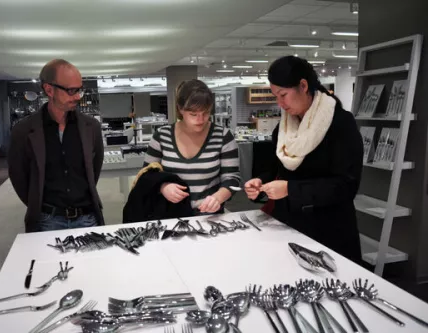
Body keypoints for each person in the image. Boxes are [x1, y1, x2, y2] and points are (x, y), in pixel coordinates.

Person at [244, 56, 363, 263]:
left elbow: (346, 186)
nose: (280, 103)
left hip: (328, 232)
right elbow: (275, 171)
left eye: (283, 95)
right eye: (276, 96)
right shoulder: (283, 128)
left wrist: (290, 189)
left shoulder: (340, 124)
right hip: (287, 227)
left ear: (303, 85)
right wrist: (259, 183)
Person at [8, 59, 105, 232]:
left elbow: (94, 170)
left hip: (88, 217)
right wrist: (36, 203)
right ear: (49, 89)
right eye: (71, 90)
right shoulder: (23, 130)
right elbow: (19, 177)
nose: (77, 96)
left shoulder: (91, 127)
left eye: (79, 90)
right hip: (47, 220)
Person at [144, 79, 241, 215]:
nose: (200, 120)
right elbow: (146, 175)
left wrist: (218, 198)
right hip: (169, 216)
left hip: (210, 217)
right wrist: (163, 187)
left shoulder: (223, 136)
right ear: (180, 109)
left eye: (206, 113)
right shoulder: (161, 136)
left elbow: (232, 178)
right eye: (193, 114)